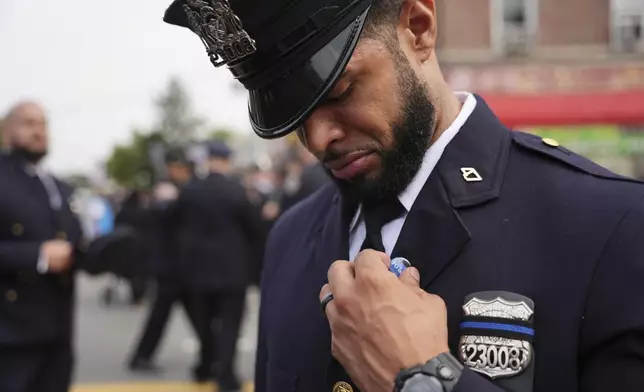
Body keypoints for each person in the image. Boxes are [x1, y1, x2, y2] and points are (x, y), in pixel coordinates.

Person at [163, 1, 644, 392]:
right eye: (293, 118)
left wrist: (425, 379)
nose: (317, 139)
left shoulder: (611, 226)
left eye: (338, 90)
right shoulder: (291, 237)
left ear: (418, 28)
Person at [167, 140, 266, 392]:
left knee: (204, 323)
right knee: (230, 324)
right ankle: (225, 375)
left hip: (196, 270)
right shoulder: (237, 191)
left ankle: (204, 365)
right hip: (232, 271)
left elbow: (173, 223)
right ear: (226, 161)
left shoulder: (191, 190)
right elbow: (255, 228)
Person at [0, 101, 84, 392]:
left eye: (43, 124)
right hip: (11, 332)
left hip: (57, 328)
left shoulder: (57, 185)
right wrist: (35, 256)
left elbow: (73, 241)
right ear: (6, 130)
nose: (39, 132)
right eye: (29, 123)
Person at [128, 150, 209, 380]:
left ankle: (210, 355)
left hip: (183, 265)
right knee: (164, 314)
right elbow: (164, 216)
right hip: (170, 265)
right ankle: (141, 356)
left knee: (195, 315)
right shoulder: (168, 189)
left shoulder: (185, 188)